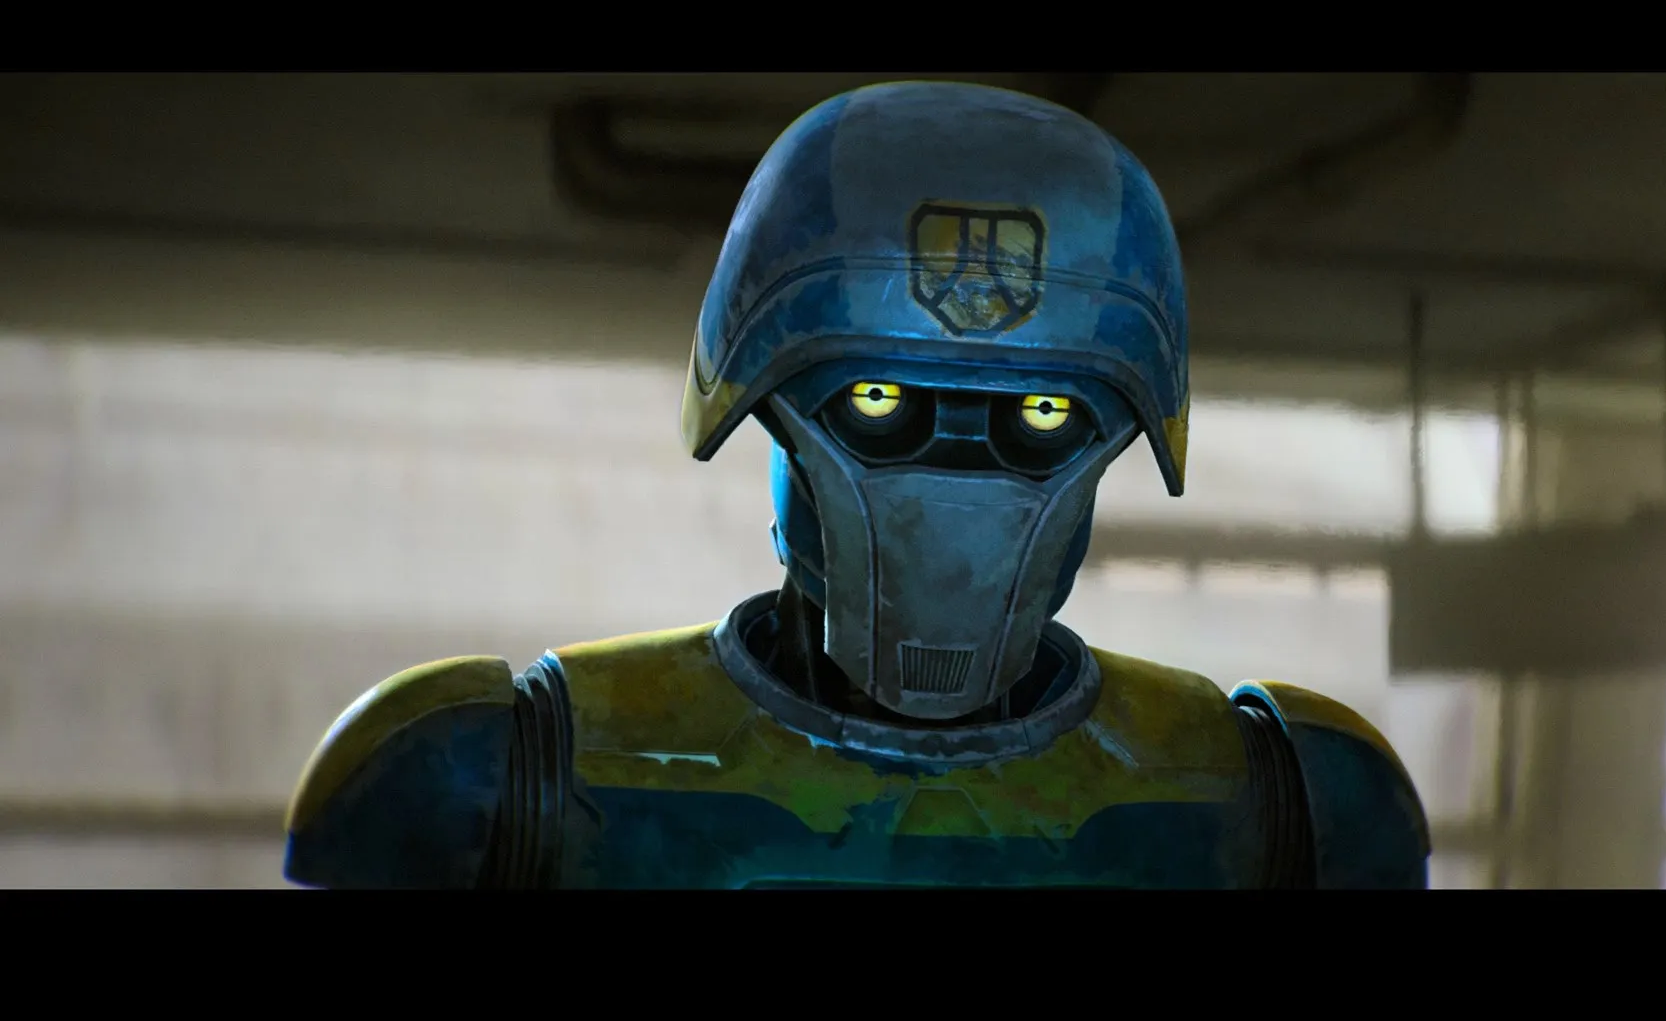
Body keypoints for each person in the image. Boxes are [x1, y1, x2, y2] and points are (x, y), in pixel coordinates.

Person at [281, 80, 1431, 888]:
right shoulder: (495, 778)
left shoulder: (1279, 800)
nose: (954, 488)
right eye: (880, 405)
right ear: (766, 410)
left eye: (1039, 418)